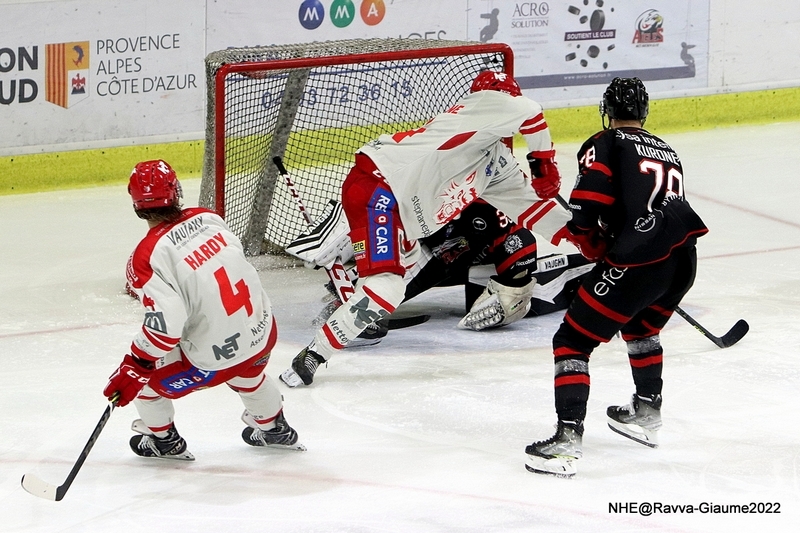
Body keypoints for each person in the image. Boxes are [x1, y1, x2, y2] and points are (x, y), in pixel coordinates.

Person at [279, 70, 570, 388]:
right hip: (379, 190)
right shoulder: (479, 108)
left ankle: (319, 342)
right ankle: (321, 341)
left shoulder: (496, 160)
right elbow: (528, 110)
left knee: (388, 291)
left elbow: (537, 211)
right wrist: (544, 162)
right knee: (386, 288)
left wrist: (592, 240)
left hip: (403, 215)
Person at [524, 78, 708, 477]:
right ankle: (646, 412)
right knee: (641, 329)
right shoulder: (666, 148)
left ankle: (566, 442)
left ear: (607, 111)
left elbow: (589, 206)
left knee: (572, 340)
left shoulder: (605, 142)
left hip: (640, 260)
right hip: (682, 258)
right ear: (644, 112)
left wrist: (589, 238)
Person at [103, 160, 304, 460]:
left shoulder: (146, 258)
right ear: (177, 192)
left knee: (142, 383)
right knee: (248, 375)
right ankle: (274, 427)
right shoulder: (208, 217)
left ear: (135, 204)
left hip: (215, 360)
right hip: (262, 332)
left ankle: (163, 441)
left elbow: (165, 328)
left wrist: (137, 362)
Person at [289, 199, 593, 336]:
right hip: (448, 246)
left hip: (478, 262)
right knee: (413, 247)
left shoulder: (513, 237)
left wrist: (506, 304)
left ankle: (590, 272)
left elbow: (514, 295)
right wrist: (362, 250)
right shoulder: (440, 188)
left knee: (529, 291)